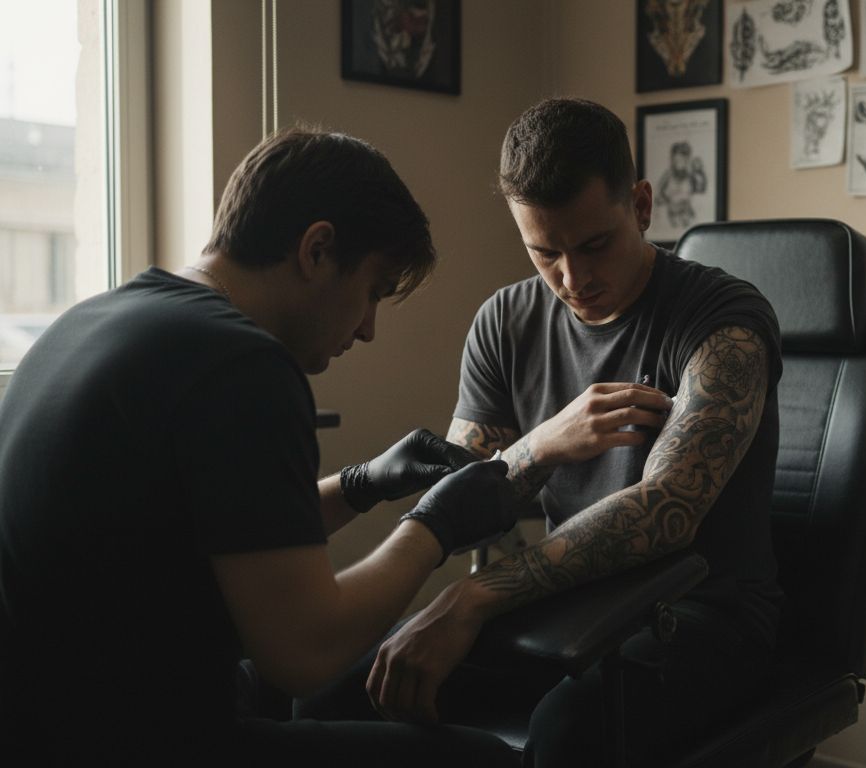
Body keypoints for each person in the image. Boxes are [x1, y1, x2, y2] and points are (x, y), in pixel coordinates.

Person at [0, 127, 518, 765]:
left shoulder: (97, 319)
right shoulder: (243, 365)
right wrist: (436, 526)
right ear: (317, 250)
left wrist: (361, 484)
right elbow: (305, 651)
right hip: (135, 742)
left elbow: (231, 536)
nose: (367, 329)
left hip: (46, 722)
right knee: (488, 759)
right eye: (373, 291)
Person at [304, 97, 785, 765]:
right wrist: (540, 445)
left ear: (641, 207)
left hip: (708, 616)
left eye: (595, 246)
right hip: (568, 605)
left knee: (568, 734)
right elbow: (464, 495)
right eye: (544, 252)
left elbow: (664, 515)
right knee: (335, 696)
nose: (573, 277)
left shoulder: (721, 321)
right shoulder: (505, 322)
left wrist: (472, 597)